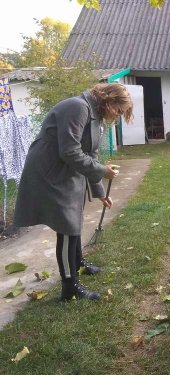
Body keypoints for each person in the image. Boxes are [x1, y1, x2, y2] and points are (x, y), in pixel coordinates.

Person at [14, 83, 133, 301]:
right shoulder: (77, 107)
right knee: (67, 226)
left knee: (75, 216)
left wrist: (99, 191)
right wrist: (102, 171)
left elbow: (91, 153)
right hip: (50, 171)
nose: (116, 117)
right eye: (118, 110)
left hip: (67, 169)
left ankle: (78, 262)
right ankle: (70, 286)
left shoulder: (95, 115)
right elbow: (69, 151)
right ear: (108, 100)